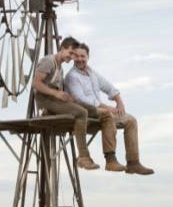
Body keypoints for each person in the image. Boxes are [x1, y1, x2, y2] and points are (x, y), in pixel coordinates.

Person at [64, 42, 154, 175]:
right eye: (76, 56)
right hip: (85, 113)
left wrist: (119, 102)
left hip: (100, 111)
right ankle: (110, 160)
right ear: (73, 58)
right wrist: (107, 107)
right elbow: (82, 100)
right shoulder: (72, 76)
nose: (79, 59)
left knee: (131, 120)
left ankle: (133, 163)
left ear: (88, 57)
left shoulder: (91, 73)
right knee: (108, 114)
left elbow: (107, 86)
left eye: (82, 56)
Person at [32, 36, 100, 170]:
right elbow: (36, 84)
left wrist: (68, 97)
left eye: (74, 55)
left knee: (92, 110)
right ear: (62, 48)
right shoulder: (48, 61)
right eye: (70, 53)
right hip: (45, 98)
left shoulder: (60, 67)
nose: (72, 57)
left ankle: (51, 112)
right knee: (82, 113)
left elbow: (58, 88)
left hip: (55, 98)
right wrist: (56, 94)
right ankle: (83, 157)